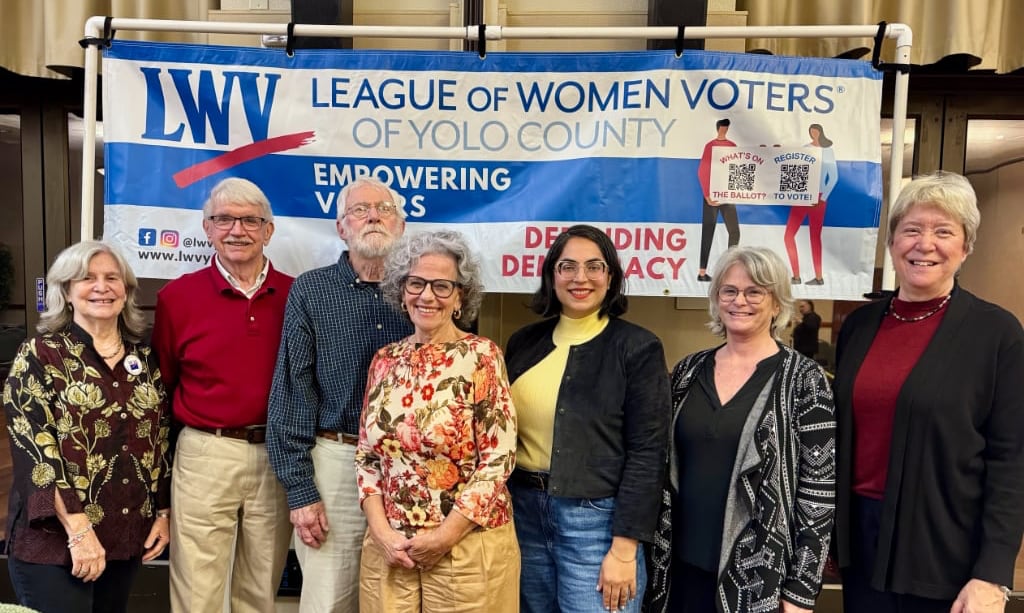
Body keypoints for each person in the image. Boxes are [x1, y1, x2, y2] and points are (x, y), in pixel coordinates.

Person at [833, 171, 1024, 612]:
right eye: (911, 229)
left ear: (965, 247)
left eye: (944, 232)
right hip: (862, 544)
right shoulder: (860, 327)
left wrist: (992, 575)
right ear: (893, 242)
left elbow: (1011, 461)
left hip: (946, 551)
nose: (925, 244)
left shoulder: (996, 333)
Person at [646, 246, 836, 613]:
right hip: (676, 571)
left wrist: (802, 589)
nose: (740, 301)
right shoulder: (688, 371)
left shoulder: (804, 380)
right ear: (717, 299)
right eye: (729, 291)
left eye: (755, 292)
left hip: (756, 579)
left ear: (777, 303)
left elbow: (819, 491)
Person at [505, 224, 670, 613]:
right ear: (552, 275)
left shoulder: (637, 347)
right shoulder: (523, 343)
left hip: (597, 524)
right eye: (568, 267)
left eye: (594, 267)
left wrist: (625, 548)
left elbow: (648, 453)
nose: (581, 277)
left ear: (610, 278)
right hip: (523, 513)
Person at [268, 176, 412, 613]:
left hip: (410, 467)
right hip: (337, 462)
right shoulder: (311, 291)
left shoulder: (424, 289)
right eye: (359, 210)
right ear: (340, 227)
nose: (372, 216)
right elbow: (293, 393)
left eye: (383, 209)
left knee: (400, 595)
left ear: (401, 225)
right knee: (329, 599)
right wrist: (300, 492)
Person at [3, 241, 171, 613]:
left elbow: (160, 440)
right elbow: (37, 455)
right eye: (87, 278)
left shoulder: (144, 358)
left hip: (125, 536)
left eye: (112, 278)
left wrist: (163, 512)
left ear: (126, 291)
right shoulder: (39, 355)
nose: (101, 286)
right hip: (56, 542)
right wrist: (79, 532)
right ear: (66, 291)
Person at [356, 230, 519, 612]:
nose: (427, 296)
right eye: (416, 283)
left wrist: (445, 537)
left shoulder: (481, 356)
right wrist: (381, 533)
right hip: (392, 551)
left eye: (442, 286)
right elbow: (367, 456)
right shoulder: (385, 360)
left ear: (461, 296)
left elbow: (498, 458)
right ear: (401, 289)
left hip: (466, 550)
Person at [152, 177, 294, 613]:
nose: (238, 230)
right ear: (207, 228)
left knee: (260, 585)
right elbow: (165, 383)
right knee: (198, 588)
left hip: (275, 452)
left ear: (268, 231)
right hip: (204, 452)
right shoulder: (177, 297)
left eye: (251, 220)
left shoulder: (296, 295)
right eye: (224, 219)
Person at [784, 123, 838, 286]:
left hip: (819, 197)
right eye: (811, 132)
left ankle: (819, 277)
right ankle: (796, 275)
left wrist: (823, 197)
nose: (813, 134)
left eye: (816, 131)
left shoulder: (827, 150)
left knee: (814, 237)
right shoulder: (805, 148)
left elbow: (833, 177)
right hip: (802, 195)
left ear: (820, 132)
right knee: (789, 236)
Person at [696, 118, 741, 282]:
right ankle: (702, 272)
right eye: (722, 127)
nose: (724, 129)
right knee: (708, 231)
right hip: (712, 194)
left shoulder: (732, 146)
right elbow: (702, 170)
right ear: (718, 128)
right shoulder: (710, 145)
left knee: (734, 231)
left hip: (727, 193)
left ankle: (731, 268)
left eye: (726, 127)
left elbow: (738, 168)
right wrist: (707, 195)